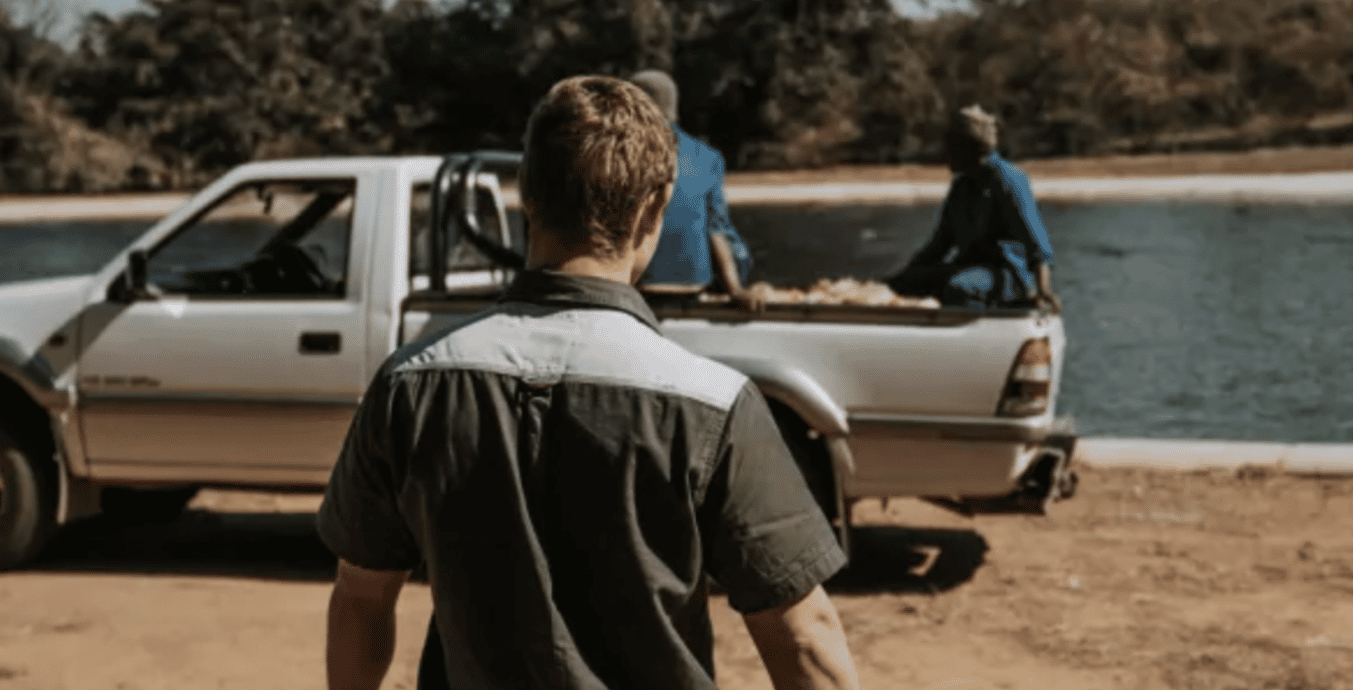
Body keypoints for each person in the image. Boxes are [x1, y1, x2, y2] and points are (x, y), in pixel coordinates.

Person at [319, 75, 861, 690]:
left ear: (527, 193)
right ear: (654, 207)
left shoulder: (410, 385)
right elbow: (806, 637)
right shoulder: (714, 405)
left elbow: (361, 600)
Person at [887, 105, 1062, 313]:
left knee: (960, 287)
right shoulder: (961, 186)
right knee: (904, 284)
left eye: (951, 146)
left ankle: (970, 335)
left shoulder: (1008, 180)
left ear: (970, 146)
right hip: (968, 267)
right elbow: (939, 245)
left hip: (1007, 275)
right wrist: (898, 280)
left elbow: (1038, 246)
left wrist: (1043, 291)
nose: (945, 153)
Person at [627, 69, 759, 306]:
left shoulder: (622, 155)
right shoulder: (707, 157)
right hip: (691, 286)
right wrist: (736, 290)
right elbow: (716, 229)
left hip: (638, 287)